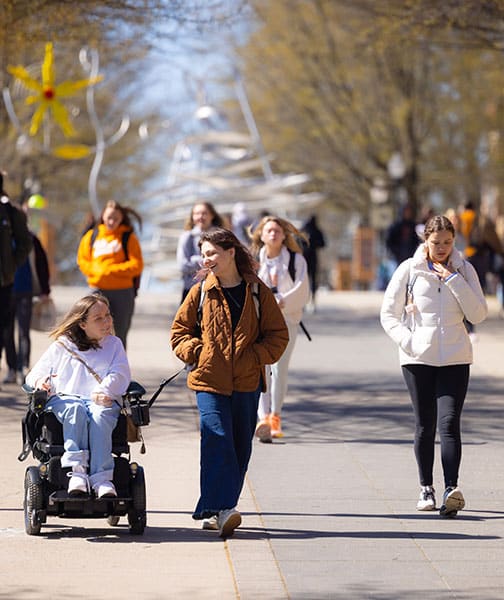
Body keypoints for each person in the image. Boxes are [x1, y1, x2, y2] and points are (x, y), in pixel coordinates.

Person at [171, 227, 288, 537]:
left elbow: (278, 335)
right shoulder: (200, 292)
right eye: (204, 254)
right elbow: (179, 333)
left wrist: (255, 356)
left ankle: (217, 509)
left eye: (212, 253)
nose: (207, 259)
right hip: (208, 378)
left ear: (231, 252)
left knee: (238, 447)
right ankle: (225, 509)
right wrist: (197, 351)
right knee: (216, 437)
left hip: (247, 381)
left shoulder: (257, 291)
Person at [380, 215, 487, 517]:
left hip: (455, 356)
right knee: (425, 424)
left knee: (449, 423)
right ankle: (426, 487)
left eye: (447, 243)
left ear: (455, 242)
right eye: (436, 242)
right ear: (425, 241)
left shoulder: (464, 270)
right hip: (418, 359)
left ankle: (451, 489)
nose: (441, 248)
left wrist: (453, 279)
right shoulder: (408, 270)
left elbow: (478, 314)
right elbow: (388, 314)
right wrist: (410, 342)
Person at [25, 293, 131, 498]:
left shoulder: (114, 344)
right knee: (76, 410)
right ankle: (77, 473)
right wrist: (40, 382)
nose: (106, 321)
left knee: (100, 416)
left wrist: (105, 390)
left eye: (107, 315)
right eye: (98, 318)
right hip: (66, 398)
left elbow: (121, 373)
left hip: (100, 399)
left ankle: (102, 479)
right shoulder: (63, 345)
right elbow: (35, 373)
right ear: (82, 324)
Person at [250, 216, 310, 442]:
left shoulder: (296, 261)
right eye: (269, 231)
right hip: (259, 322)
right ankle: (263, 417)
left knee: (279, 369)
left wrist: (282, 300)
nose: (273, 234)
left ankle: (276, 414)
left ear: (284, 235)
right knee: (261, 369)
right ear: (261, 235)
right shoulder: (255, 260)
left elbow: (303, 289)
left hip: (287, 321)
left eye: (277, 231)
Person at [77, 200, 143, 349]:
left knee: (119, 334)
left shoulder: (128, 238)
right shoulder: (91, 236)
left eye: (116, 218)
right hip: (97, 290)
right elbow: (83, 261)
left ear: (121, 219)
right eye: (109, 217)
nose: (112, 221)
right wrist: (97, 272)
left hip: (122, 292)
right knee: (93, 332)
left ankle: (118, 368)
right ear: (102, 216)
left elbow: (136, 265)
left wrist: (110, 270)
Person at [4, 220, 51, 384]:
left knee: (24, 331)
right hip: (6, 291)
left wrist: (45, 290)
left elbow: (42, 264)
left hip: (25, 290)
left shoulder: (31, 239)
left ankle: (23, 367)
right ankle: (11, 368)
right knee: (6, 332)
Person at [0, 173, 33, 384]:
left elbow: (26, 243)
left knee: (7, 329)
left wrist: (10, 266)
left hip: (5, 283)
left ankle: (17, 367)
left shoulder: (10, 213)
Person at [176, 201, 224, 302]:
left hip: (217, 288)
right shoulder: (187, 237)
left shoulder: (221, 237)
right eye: (197, 213)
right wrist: (205, 261)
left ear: (212, 215)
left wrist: (194, 260)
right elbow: (182, 265)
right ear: (192, 217)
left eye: (204, 213)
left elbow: (224, 261)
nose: (200, 217)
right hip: (191, 289)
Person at [301, 214, 326, 311]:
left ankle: (312, 301)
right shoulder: (306, 230)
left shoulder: (311, 230)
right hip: (305, 259)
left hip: (310, 258)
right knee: (304, 281)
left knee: (312, 280)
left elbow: (322, 243)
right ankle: (303, 302)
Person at [385, 203, 419, 267]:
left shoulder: (413, 226)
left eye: (409, 211)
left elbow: (416, 241)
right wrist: (395, 252)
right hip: (397, 257)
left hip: (410, 256)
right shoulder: (395, 225)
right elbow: (389, 241)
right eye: (406, 211)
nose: (408, 213)